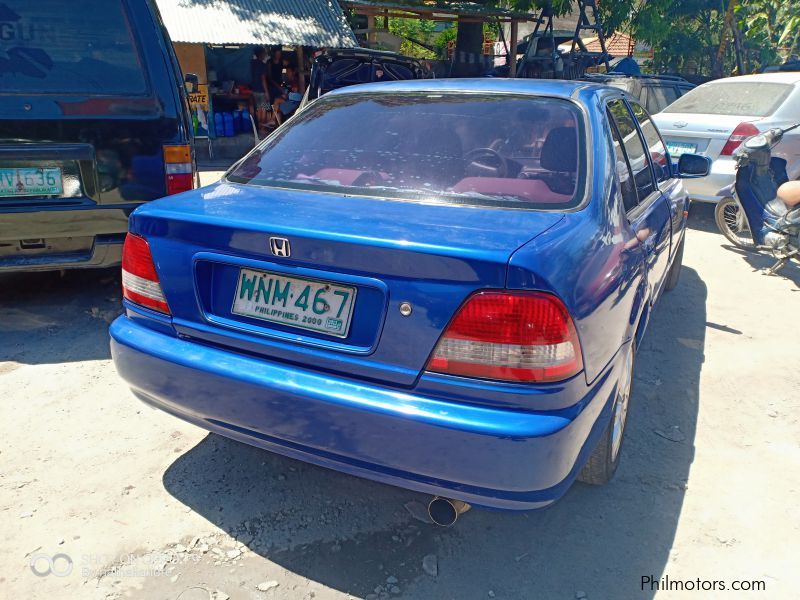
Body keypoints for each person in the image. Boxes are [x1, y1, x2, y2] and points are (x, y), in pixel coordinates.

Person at [250, 47, 272, 131]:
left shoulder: (252, 63)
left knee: (258, 109)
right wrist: (266, 92)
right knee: (264, 109)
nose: (265, 55)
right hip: (262, 91)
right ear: (261, 54)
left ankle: (259, 127)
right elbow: (263, 79)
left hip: (254, 90)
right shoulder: (263, 65)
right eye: (264, 54)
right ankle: (262, 128)